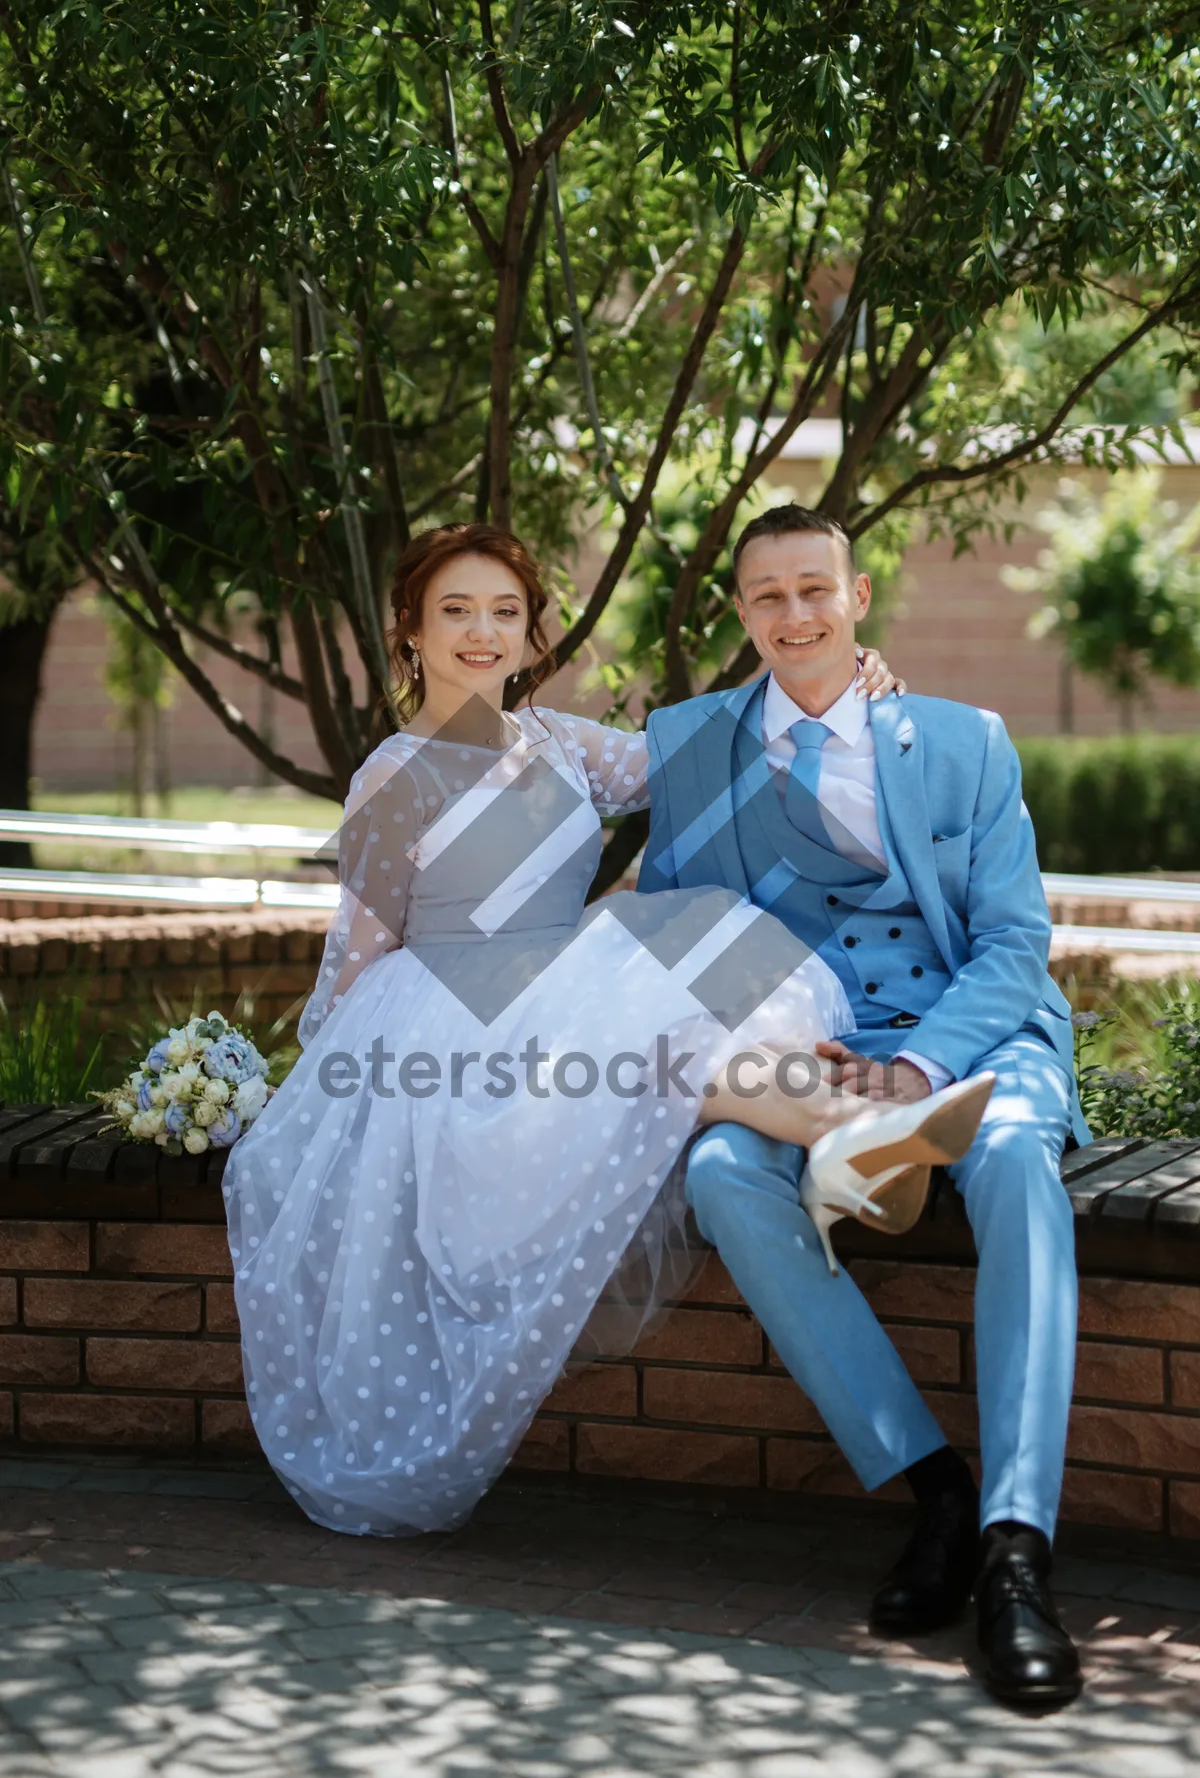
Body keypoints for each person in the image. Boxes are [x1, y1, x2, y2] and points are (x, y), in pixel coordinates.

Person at [222, 520, 992, 1550]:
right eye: (456, 612)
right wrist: (320, 1092)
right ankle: (850, 1128)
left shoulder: (561, 742)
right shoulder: (393, 776)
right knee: (660, 1043)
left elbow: (710, 752)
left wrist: (846, 680)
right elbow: (354, 958)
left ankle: (846, 1134)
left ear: (533, 630)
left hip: (565, 984)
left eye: (505, 611)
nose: (484, 633)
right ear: (407, 633)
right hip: (458, 1030)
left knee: (697, 969)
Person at [639, 502, 1088, 1709]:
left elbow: (1013, 945)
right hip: (805, 1054)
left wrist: (920, 1066)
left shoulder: (962, 741)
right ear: (741, 612)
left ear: (859, 594)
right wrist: (778, 1055)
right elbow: (678, 940)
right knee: (725, 1174)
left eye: (814, 589)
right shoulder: (686, 747)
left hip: (971, 1035)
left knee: (1012, 1164)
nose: (795, 615)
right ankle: (931, 1486)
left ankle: (1012, 1548)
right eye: (768, 596)